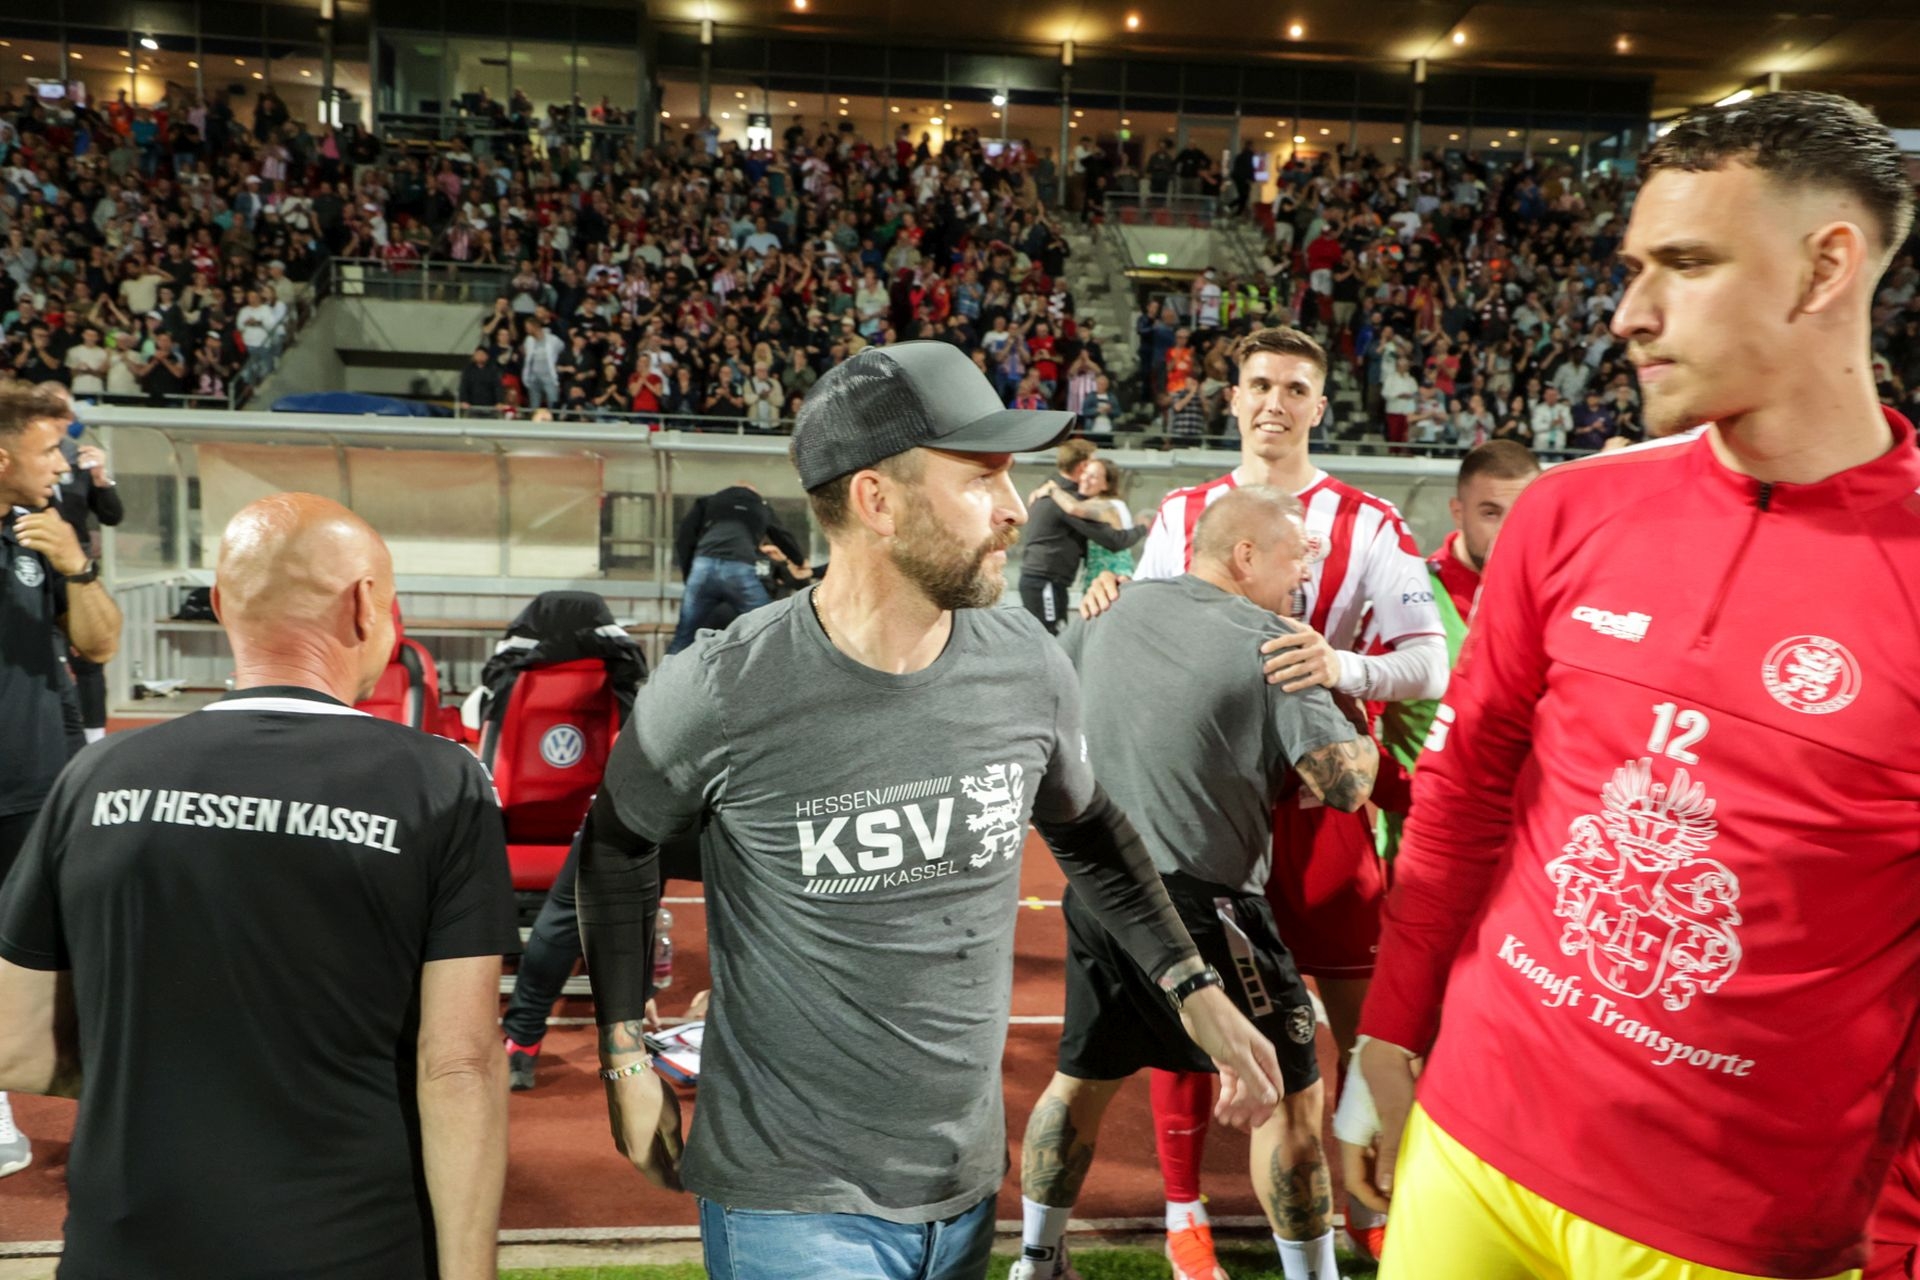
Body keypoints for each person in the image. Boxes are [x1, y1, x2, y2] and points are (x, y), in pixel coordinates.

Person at [1344, 91, 1920, 1280]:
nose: (1628, 314)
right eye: (1632, 267)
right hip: (1473, 1134)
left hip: (1735, 1223)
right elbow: (1462, 794)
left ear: (1826, 268)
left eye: (1687, 265)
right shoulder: (1569, 511)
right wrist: (1389, 1036)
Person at [574, 341, 1287, 1280]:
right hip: (791, 1201)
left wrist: (1194, 990)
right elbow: (614, 846)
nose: (1013, 507)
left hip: (962, 1195)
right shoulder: (721, 688)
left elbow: (1089, 831)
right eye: (981, 478)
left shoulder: (1026, 663)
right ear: (877, 500)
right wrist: (625, 1054)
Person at [0, 493, 519, 1278]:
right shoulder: (441, 783)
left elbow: (16, 1044)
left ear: (219, 605)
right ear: (366, 604)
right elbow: (461, 1066)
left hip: (127, 1244)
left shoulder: (96, 776)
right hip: (350, 1244)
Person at [1096, 325, 1448, 1278]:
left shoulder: (1371, 521)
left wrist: (1340, 666)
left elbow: (1429, 664)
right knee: (1190, 1011)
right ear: (1234, 397)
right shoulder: (1184, 513)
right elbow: (1148, 645)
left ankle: (1366, 1197)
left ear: (1320, 406)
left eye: (1296, 388)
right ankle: (1185, 1214)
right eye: (1259, 384)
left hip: (1322, 804)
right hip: (1207, 805)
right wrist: (1106, 600)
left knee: (1360, 1014)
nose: (1274, 403)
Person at [1011, 487, 1380, 1280]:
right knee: (1289, 1101)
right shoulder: (1273, 643)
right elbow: (1344, 786)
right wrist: (1361, 729)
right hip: (1211, 905)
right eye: (1296, 556)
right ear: (1246, 555)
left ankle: (1036, 1262)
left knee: (1081, 1080)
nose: (1305, 573)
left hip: (1102, 894)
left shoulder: (1110, 612)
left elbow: (1048, 708)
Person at [0, 383, 120, 1179]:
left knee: (73, 952)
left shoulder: (40, 536)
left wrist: (76, 567)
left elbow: (100, 646)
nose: (62, 465)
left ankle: (113, 1115)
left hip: (41, 786)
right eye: (48, 450)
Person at [1369, 439, 1540, 866]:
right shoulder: (1407, 600)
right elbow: (1356, 723)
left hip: (1525, 853)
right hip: (1428, 854)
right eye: (1490, 513)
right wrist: (1414, 796)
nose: (1508, 531)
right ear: (1458, 512)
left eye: (1522, 514)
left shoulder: (1552, 597)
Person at [1019, 438, 1145, 634]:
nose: (1087, 476)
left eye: (1094, 475)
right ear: (1083, 466)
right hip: (1047, 580)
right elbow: (1114, 540)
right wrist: (1143, 528)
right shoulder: (1065, 499)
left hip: (1057, 579)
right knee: (1050, 636)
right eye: (1090, 466)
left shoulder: (1052, 490)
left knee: (1054, 635)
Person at [667, 482, 809, 654]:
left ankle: (665, 670)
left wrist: (689, 574)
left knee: (684, 634)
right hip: (737, 566)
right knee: (769, 623)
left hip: (704, 564)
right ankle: (786, 661)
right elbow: (782, 536)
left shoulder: (709, 502)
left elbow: (685, 537)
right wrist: (798, 560)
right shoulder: (759, 506)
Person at [51, 420, 125, 746]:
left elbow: (112, 515)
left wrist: (100, 478)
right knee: (45, 656)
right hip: (32, 566)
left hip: (74, 570)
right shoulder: (21, 465)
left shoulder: (78, 460)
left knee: (89, 658)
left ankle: (94, 739)